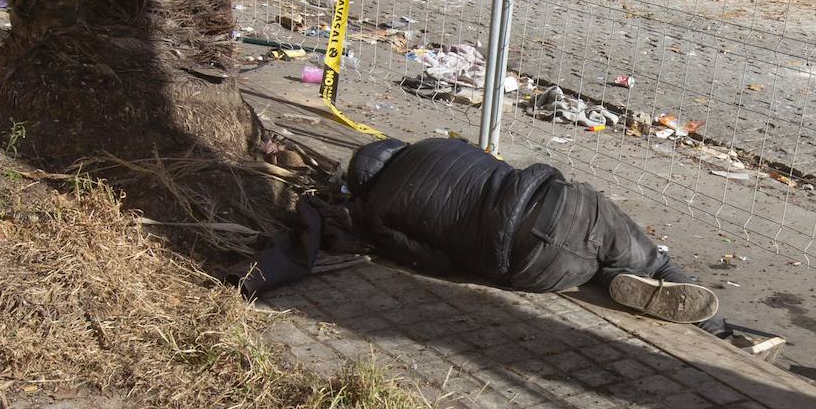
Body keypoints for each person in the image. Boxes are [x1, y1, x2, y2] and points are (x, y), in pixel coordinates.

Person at [240, 138, 728, 336]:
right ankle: (713, 328)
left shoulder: (380, 212)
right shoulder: (437, 143)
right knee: (645, 255)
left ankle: (613, 278)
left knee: (585, 267)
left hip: (530, 266)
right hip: (566, 206)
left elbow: (436, 265)